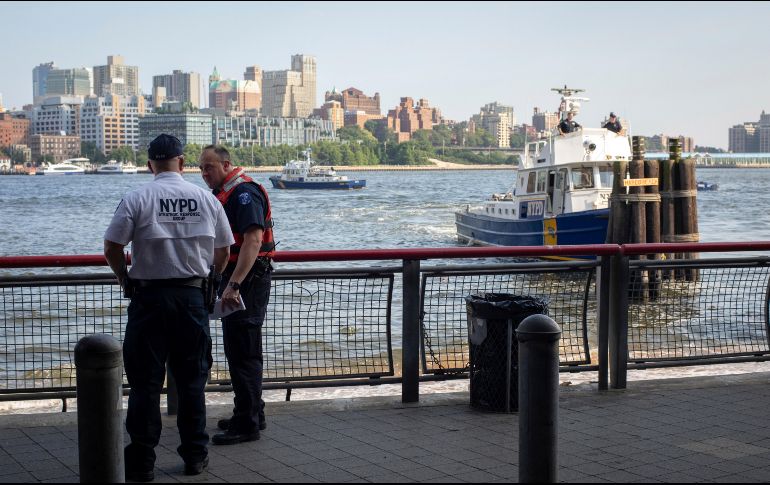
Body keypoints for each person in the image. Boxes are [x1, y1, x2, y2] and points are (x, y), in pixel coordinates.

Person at [104, 134, 234, 482]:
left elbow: (112, 245)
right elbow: (223, 250)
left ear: (150, 165)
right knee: (192, 381)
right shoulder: (205, 200)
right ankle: (194, 455)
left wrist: (124, 277)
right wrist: (214, 278)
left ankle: (142, 460)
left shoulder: (137, 198)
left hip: (148, 301)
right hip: (192, 299)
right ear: (182, 162)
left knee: (145, 383)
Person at [199, 145, 276, 446]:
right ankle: (252, 411)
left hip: (246, 282)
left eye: (209, 167)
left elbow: (253, 241)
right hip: (242, 280)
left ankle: (247, 424)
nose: (204, 173)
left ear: (226, 164)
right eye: (201, 167)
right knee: (241, 348)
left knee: (243, 350)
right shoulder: (231, 192)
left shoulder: (243, 194)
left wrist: (234, 285)